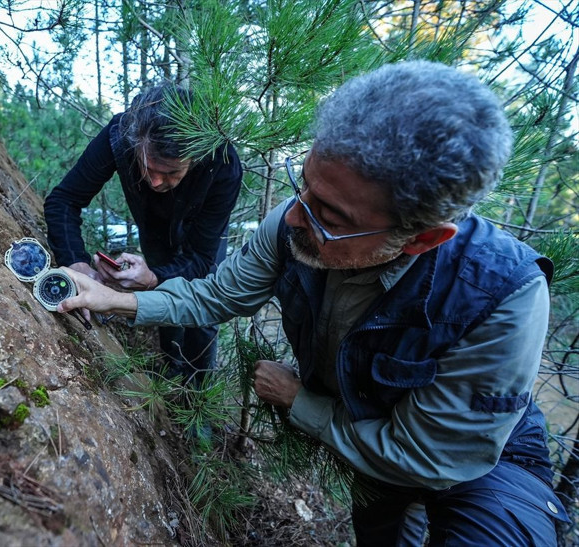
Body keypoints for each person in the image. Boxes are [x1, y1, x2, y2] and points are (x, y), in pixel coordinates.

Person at [55, 61, 570, 545]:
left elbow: (431, 458)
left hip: (486, 464)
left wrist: (302, 403)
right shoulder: (295, 221)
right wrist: (111, 300)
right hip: (371, 453)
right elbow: (215, 294)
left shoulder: (505, 295)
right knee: (383, 531)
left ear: (422, 240)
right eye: (304, 185)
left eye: (331, 216)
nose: (295, 218)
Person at [44, 83, 242, 384]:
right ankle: (170, 367)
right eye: (149, 166)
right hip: (154, 225)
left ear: (197, 157)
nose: (156, 181)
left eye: (172, 172)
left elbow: (201, 257)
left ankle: (197, 394)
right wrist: (77, 263)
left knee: (203, 310)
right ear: (137, 140)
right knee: (162, 293)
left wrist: (152, 277)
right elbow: (64, 200)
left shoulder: (223, 162)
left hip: (203, 234)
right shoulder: (121, 134)